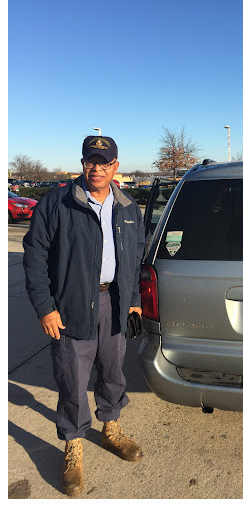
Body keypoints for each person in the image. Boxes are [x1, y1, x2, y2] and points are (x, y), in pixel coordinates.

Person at [23, 135, 145, 496]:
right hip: (71, 305)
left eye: (104, 162)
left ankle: (111, 429)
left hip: (115, 302)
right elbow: (34, 257)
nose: (97, 168)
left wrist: (135, 299)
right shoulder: (58, 203)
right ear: (82, 164)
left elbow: (136, 257)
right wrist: (45, 307)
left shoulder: (127, 206)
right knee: (72, 379)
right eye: (91, 161)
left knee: (112, 370)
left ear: (115, 167)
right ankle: (73, 446)